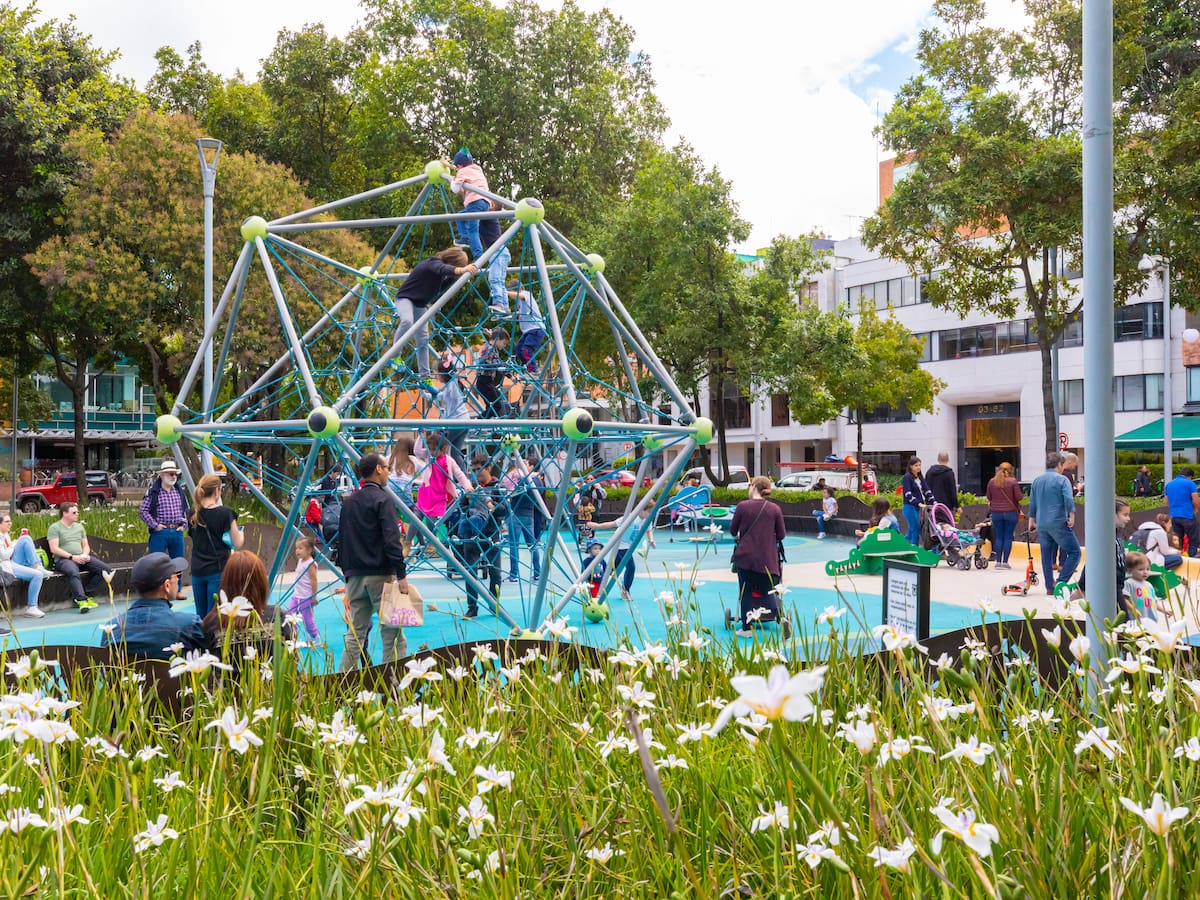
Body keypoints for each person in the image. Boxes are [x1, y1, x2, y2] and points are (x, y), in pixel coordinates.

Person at [338, 452, 410, 670]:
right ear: (378, 469)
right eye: (387, 467)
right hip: (380, 575)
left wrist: (348, 574)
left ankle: (342, 683)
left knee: (355, 635)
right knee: (393, 634)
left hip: (355, 576)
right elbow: (391, 540)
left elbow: (343, 541)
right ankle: (394, 684)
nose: (388, 472)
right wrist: (401, 574)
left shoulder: (349, 503)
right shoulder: (383, 499)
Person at [102, 553, 212, 658]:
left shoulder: (111, 629)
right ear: (167, 586)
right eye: (177, 575)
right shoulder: (190, 625)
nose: (178, 579)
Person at [394, 248, 479, 380]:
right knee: (407, 321)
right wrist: (462, 270)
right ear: (452, 261)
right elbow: (442, 269)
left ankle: (425, 376)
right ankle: (395, 356)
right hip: (405, 298)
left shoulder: (442, 275)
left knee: (423, 340)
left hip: (420, 304)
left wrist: (460, 276)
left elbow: (442, 286)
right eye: (458, 266)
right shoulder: (433, 263)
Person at [730, 476, 787, 638]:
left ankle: (746, 628)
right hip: (768, 559)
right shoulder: (775, 509)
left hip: (746, 557)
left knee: (746, 591)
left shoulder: (742, 507)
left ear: (753, 486)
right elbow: (781, 534)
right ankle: (781, 618)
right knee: (770, 590)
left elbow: (733, 531)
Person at [203, 550, 289, 651]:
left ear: (225, 583)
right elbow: (291, 660)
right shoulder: (278, 617)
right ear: (261, 583)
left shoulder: (211, 624)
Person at [188, 474, 245, 619]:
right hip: (217, 568)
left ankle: (201, 640)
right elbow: (237, 542)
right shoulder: (226, 513)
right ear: (217, 491)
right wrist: (241, 534)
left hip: (197, 569)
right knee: (215, 615)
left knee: (200, 615)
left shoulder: (192, 513)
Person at [456, 455, 504, 618]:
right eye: (474, 470)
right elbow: (460, 509)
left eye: (479, 469)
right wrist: (469, 500)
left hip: (492, 534)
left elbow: (505, 510)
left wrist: (491, 505)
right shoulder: (470, 487)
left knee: (495, 572)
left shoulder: (497, 487)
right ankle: (472, 606)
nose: (476, 473)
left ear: (489, 468)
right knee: (470, 572)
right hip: (472, 535)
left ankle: (493, 604)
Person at [1028, 452, 1080, 593]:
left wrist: (1031, 520)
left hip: (1041, 523)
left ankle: (1049, 587)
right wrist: (1071, 515)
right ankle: (1060, 583)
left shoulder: (1037, 480)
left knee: (1046, 556)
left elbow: (1032, 503)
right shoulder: (1062, 480)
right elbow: (1068, 499)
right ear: (1059, 464)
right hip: (1057, 521)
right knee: (1075, 552)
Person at [47, 502, 112, 613]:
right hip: (64, 559)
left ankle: (87, 595)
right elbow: (54, 549)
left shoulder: (79, 527)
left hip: (81, 557)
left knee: (106, 570)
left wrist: (85, 555)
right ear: (65, 513)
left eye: (77, 512)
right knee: (73, 572)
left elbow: (85, 545)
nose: (77, 514)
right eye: (74, 512)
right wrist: (72, 557)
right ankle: (81, 601)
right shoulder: (55, 528)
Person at [1074, 500, 1133, 617]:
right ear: (1112, 514)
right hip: (1111, 587)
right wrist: (1081, 586)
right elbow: (1091, 563)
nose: (1128, 519)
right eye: (1125, 515)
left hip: (1118, 585)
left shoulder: (1115, 535)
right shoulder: (1105, 537)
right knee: (1123, 620)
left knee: (1123, 619)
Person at [592, 507, 656, 601]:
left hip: (628, 546)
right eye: (649, 511)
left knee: (612, 568)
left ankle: (596, 584)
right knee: (631, 567)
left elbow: (648, 530)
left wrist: (651, 540)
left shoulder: (647, 520)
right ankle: (625, 591)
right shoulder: (630, 518)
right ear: (642, 510)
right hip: (619, 544)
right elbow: (613, 524)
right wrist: (597, 526)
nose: (650, 514)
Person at [501, 455, 542, 583]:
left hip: (516, 514)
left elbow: (514, 493)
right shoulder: (540, 481)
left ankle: (514, 574)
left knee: (514, 545)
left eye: (527, 463)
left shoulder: (526, 479)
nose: (524, 465)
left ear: (531, 466)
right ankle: (537, 572)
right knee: (532, 545)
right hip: (529, 515)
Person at [140, 459, 191, 559]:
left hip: (177, 531)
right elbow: (143, 511)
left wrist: (184, 525)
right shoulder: (153, 492)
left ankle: (177, 576)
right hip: (160, 533)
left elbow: (186, 510)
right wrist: (155, 525)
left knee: (178, 563)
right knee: (156, 563)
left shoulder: (179, 491)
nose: (174, 477)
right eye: (171, 474)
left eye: (176, 474)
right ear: (162, 475)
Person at [445, 148, 490, 258]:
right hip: (485, 202)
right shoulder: (477, 169)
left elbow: (455, 189)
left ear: (459, 165)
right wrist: (448, 165)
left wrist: (451, 180)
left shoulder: (462, 172)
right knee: (460, 216)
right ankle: (464, 238)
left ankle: (478, 256)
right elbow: (461, 169)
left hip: (474, 202)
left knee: (473, 230)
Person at [0, 513, 48, 617]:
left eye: (10, 521)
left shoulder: (5, 535)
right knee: (37, 575)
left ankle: (37, 565)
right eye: (7, 522)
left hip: (10, 561)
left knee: (25, 538)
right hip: (5, 566)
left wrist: (15, 543)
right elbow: (4, 555)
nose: (10, 524)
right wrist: (13, 545)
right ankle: (32, 607)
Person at [985, 462, 1023, 570]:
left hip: (996, 513)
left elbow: (988, 496)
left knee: (999, 537)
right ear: (1011, 470)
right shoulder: (1013, 482)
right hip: (1011, 512)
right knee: (1008, 537)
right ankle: (1005, 562)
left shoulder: (992, 482)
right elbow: (1019, 497)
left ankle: (998, 562)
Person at [285, 536, 321, 641]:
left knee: (307, 619)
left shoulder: (310, 564)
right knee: (290, 615)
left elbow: (314, 581)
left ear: (309, 550)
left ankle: (315, 636)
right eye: (296, 548)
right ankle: (293, 635)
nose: (297, 551)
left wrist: (314, 597)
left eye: (301, 548)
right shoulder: (301, 561)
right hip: (296, 596)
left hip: (306, 597)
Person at [508, 286, 546, 374]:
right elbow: (521, 313)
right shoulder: (520, 303)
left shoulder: (526, 294)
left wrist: (505, 292)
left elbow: (521, 296)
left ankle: (533, 370)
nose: (512, 297)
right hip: (528, 331)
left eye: (512, 293)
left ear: (520, 288)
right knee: (518, 349)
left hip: (536, 329)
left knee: (526, 349)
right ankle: (529, 368)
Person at [1122, 552, 1171, 621]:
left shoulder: (1149, 585)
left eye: (1147, 569)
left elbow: (1153, 602)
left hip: (1151, 620)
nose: (1145, 572)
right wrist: (1133, 610)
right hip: (1137, 620)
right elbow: (1124, 599)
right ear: (1130, 570)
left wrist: (1164, 610)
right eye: (1141, 569)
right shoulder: (1129, 583)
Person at [474, 328, 510, 418]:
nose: (504, 346)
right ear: (497, 339)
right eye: (504, 343)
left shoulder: (491, 347)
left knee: (492, 406)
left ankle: (489, 427)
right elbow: (493, 364)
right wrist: (506, 371)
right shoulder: (489, 349)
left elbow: (498, 363)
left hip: (487, 382)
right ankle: (478, 422)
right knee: (496, 406)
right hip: (484, 382)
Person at [1164, 467, 1200, 557]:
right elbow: (1196, 500)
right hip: (1187, 515)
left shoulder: (1169, 485)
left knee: (1178, 539)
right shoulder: (1190, 483)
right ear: (1189, 476)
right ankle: (1192, 558)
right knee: (1194, 538)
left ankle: (1179, 558)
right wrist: (1195, 510)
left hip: (1174, 516)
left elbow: (1166, 502)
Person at [900, 457, 935, 546]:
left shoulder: (920, 477)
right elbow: (907, 493)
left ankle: (900, 544)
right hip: (909, 507)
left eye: (919, 465)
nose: (918, 467)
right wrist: (918, 503)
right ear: (911, 466)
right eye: (916, 465)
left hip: (917, 507)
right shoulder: (907, 477)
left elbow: (927, 490)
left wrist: (933, 501)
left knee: (912, 531)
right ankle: (914, 548)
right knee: (915, 529)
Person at [925, 452, 960, 518]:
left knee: (934, 524)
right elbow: (952, 490)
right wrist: (957, 506)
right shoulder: (949, 473)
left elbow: (925, 489)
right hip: (946, 506)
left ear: (938, 459)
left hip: (932, 505)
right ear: (948, 460)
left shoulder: (929, 472)